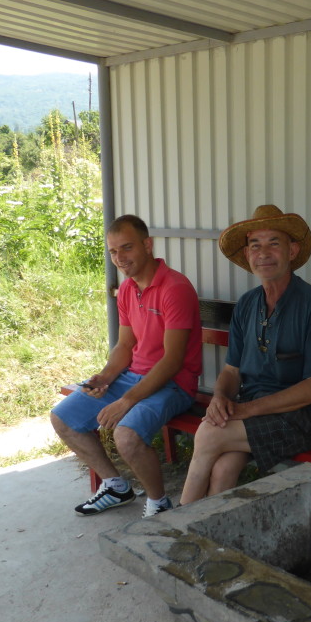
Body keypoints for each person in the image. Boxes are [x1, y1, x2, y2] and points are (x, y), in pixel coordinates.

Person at [179, 204, 311, 505]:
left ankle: (174, 527)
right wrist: (219, 398)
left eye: (274, 243)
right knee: (222, 467)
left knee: (207, 435)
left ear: (292, 251)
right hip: (252, 410)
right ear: (247, 255)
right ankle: (212, 537)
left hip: (302, 419)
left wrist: (244, 411)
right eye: (255, 245)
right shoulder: (247, 304)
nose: (263, 253)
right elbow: (231, 371)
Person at [51, 214, 202, 517]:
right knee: (62, 418)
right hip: (132, 377)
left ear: (147, 245)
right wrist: (106, 377)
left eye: (127, 248)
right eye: (113, 251)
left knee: (126, 434)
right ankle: (116, 486)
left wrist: (127, 401)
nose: (120, 258)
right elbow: (124, 346)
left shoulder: (175, 288)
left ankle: (159, 503)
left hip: (173, 384)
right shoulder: (128, 289)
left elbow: (172, 361)